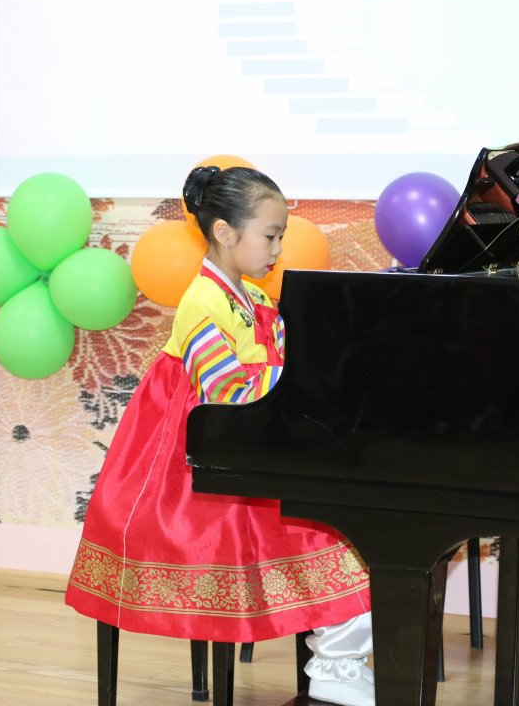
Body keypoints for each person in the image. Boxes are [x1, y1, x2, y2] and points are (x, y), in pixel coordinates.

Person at [66, 166, 374, 706]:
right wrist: (298, 384)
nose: (278, 249)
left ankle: (338, 660)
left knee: (348, 532)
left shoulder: (252, 296)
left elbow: (282, 359)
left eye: (280, 236)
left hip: (243, 447)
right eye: (270, 236)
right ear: (225, 232)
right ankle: (334, 663)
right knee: (332, 535)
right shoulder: (202, 302)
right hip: (196, 467)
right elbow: (228, 390)